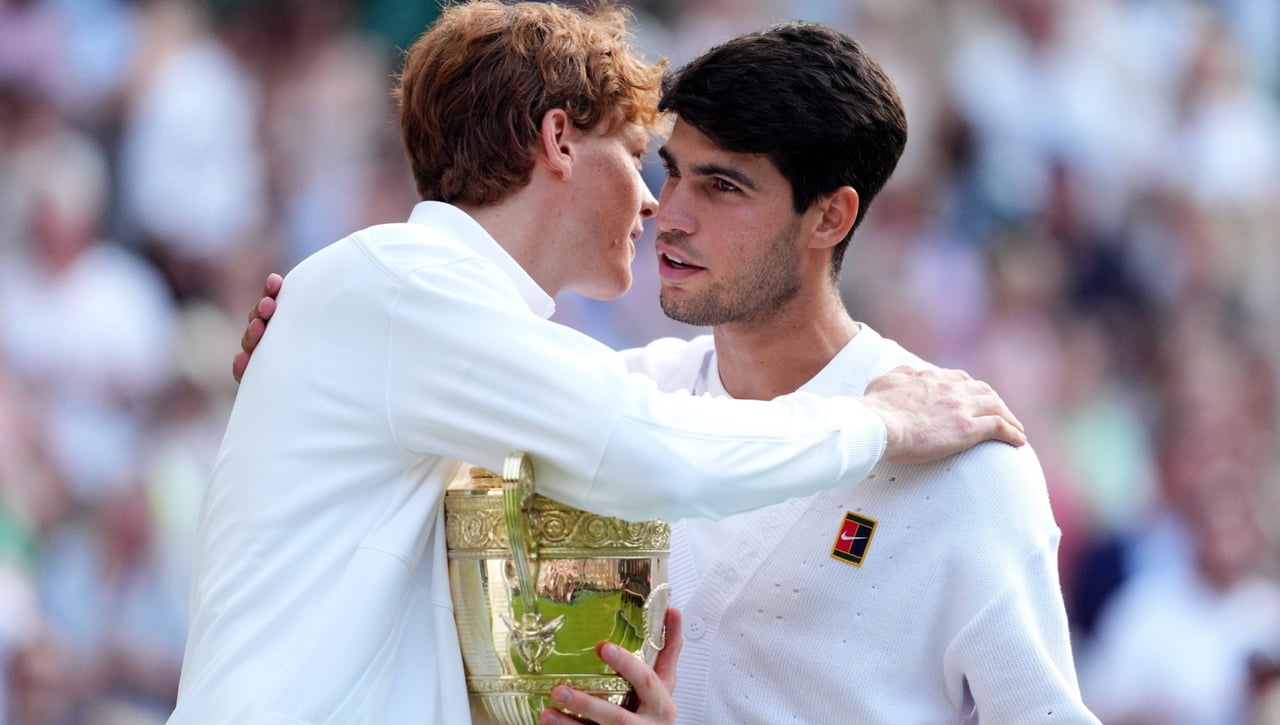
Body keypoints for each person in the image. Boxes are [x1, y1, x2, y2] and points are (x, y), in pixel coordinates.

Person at [176, 3, 1026, 725]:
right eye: (638, 155)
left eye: (720, 185)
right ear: (558, 141)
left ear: (830, 218)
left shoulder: (412, 314)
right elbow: (651, 449)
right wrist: (877, 420)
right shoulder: (407, 288)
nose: (660, 205)